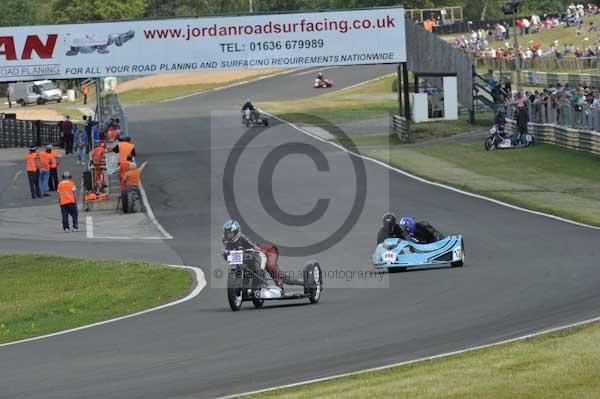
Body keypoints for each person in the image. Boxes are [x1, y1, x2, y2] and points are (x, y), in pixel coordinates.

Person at [222, 220, 283, 289]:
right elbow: (228, 251)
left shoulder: (244, 238)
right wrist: (226, 253)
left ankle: (261, 282)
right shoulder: (225, 240)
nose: (229, 236)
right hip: (242, 256)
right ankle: (243, 283)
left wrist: (250, 250)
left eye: (231, 233)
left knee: (260, 265)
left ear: (236, 232)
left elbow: (256, 248)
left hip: (255, 253)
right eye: (227, 234)